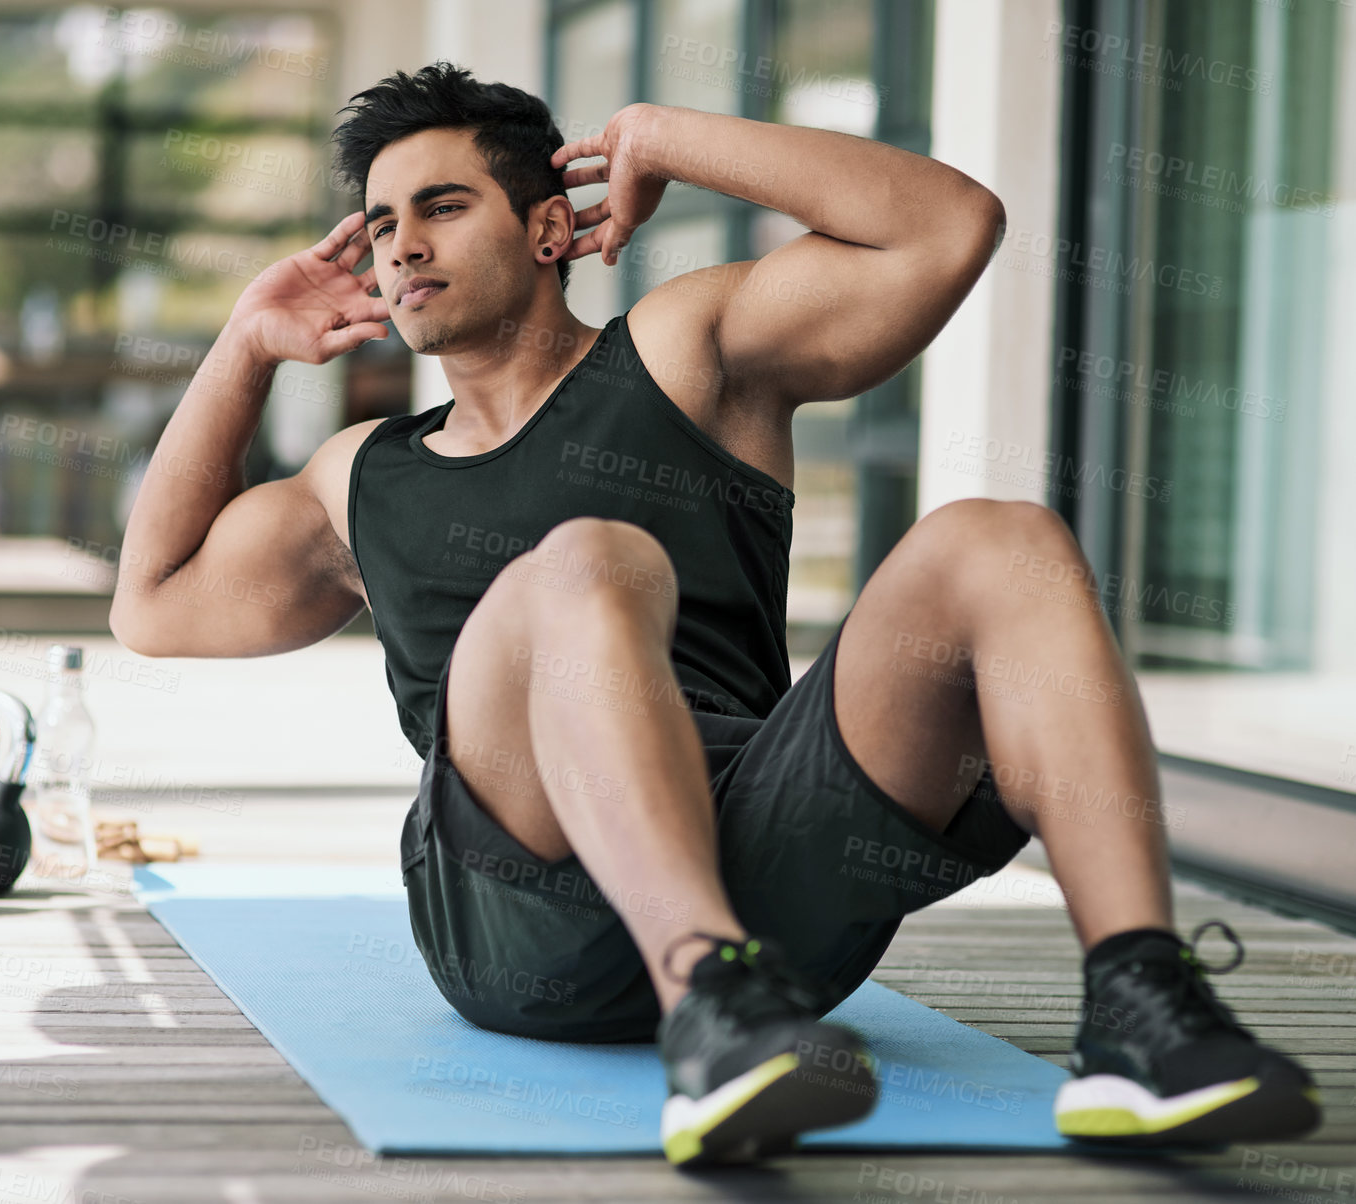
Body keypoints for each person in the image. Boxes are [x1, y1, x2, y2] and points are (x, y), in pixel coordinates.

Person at [109, 62, 1320, 1166]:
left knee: (1004, 538)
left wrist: (661, 136)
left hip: (769, 873)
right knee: (587, 562)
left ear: (546, 228)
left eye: (441, 206)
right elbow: (151, 605)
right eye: (381, 225)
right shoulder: (360, 475)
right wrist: (245, 344)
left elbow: (950, 227)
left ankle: (1139, 1003)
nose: (400, 247)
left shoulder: (684, 347)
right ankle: (705, 1004)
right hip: (518, 915)